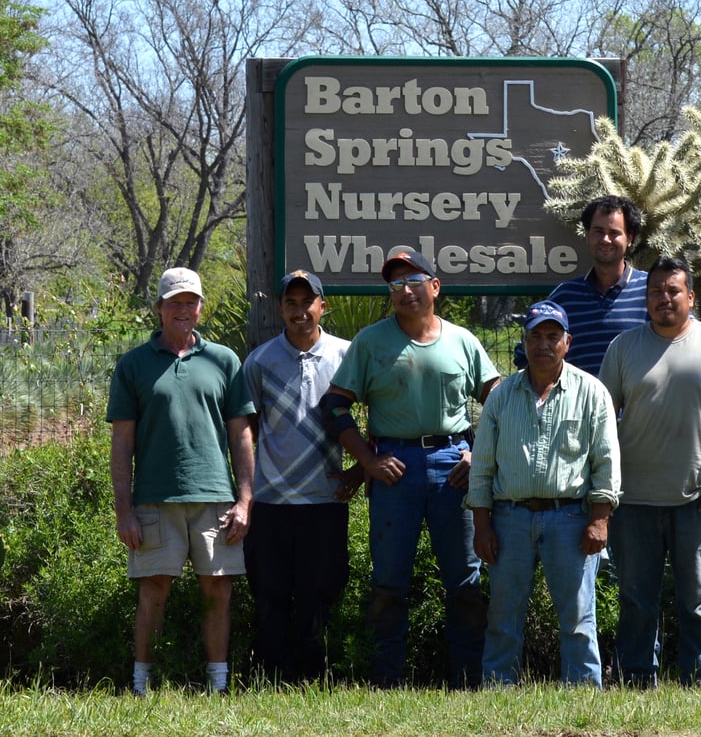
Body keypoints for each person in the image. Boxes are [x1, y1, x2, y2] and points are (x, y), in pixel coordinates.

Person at [320, 250, 501, 689]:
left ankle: (467, 679)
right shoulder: (371, 342)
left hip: (454, 465)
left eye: (414, 280)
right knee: (388, 580)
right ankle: (387, 679)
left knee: (464, 579)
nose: (404, 290)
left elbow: (499, 403)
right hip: (394, 470)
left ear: (435, 286)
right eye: (395, 284)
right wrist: (366, 461)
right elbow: (334, 405)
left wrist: (478, 458)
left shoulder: (462, 341)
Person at [598, 256, 701, 687]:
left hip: (698, 500)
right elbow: (602, 418)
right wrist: (603, 487)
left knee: (699, 597)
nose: (663, 299)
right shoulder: (623, 348)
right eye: (655, 292)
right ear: (646, 298)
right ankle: (636, 678)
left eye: (673, 291)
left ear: (690, 297)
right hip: (633, 501)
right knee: (635, 599)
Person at [107, 267, 255, 696]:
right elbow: (121, 443)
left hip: (215, 496)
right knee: (154, 590)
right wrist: (124, 510)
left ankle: (218, 685)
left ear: (201, 307)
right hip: (154, 498)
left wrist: (245, 500)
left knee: (218, 590)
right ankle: (141, 684)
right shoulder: (133, 365)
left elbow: (241, 433)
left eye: (191, 302)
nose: (183, 310)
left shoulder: (224, 360)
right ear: (159, 308)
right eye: (175, 302)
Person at [467, 300, 621, 687]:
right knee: (503, 615)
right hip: (509, 519)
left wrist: (600, 520)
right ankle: (498, 690)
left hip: (570, 518)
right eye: (535, 336)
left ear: (567, 342)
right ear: (524, 340)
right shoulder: (501, 396)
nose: (543, 344)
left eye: (553, 336)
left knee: (578, 617)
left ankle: (583, 695)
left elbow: (606, 462)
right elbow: (482, 466)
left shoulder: (592, 392)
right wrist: (481, 525)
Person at [242, 269, 361, 684]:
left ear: (322, 306)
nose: (299, 311)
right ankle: (270, 680)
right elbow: (247, 431)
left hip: (325, 501)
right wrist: (246, 491)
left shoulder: (347, 356)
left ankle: (314, 681)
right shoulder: (259, 361)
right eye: (290, 303)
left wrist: (361, 470)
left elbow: (376, 418)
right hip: (271, 502)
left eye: (306, 302)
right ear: (280, 309)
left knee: (320, 595)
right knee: (269, 595)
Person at [515, 194, 647, 376]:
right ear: (587, 235)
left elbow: (684, 340)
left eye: (614, 233)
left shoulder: (652, 292)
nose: (605, 239)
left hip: (636, 404)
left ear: (629, 238)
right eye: (598, 231)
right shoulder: (564, 297)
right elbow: (526, 354)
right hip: (578, 404)